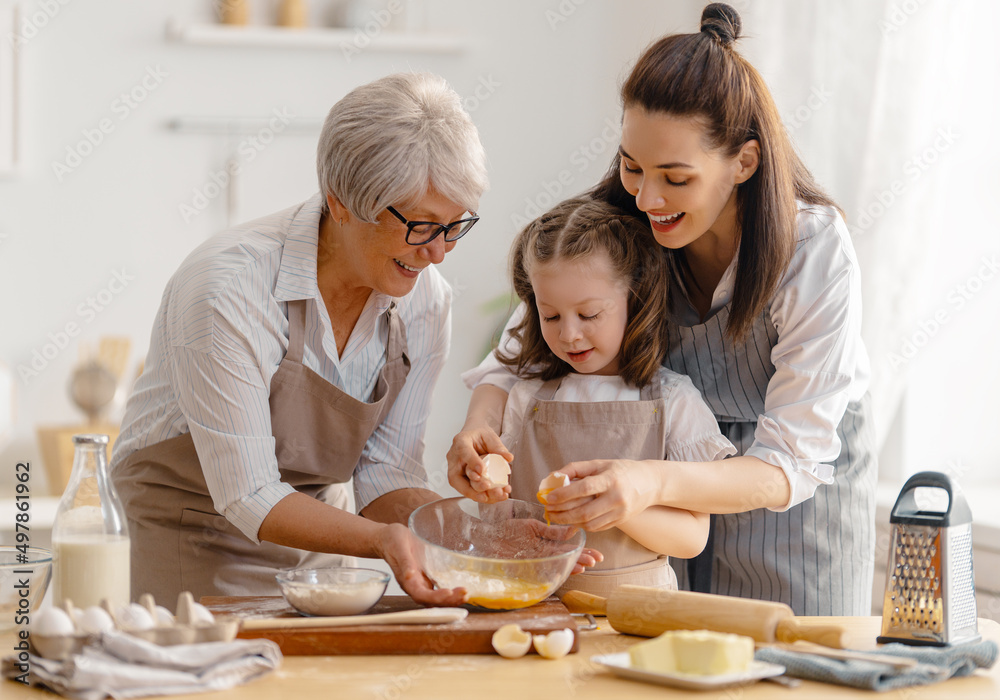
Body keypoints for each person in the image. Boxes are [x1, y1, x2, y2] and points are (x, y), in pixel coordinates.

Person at [450, 3, 877, 616]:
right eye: (632, 166)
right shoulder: (623, 227)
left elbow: (791, 462)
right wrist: (477, 430)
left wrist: (650, 480)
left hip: (789, 501)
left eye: (675, 178)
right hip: (664, 497)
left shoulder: (811, 247)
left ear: (744, 162)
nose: (647, 197)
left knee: (791, 664)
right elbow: (514, 359)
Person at [110, 72, 489, 606]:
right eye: (422, 226)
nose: (440, 252)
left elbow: (385, 472)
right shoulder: (229, 289)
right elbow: (247, 494)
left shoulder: (425, 301)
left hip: (323, 545)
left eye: (455, 225)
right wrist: (380, 540)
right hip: (190, 532)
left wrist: (479, 536)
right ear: (341, 204)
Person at [462, 198, 735, 596]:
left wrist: (618, 505)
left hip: (640, 613)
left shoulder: (674, 401)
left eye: (588, 315)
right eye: (550, 316)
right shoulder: (526, 398)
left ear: (635, 298)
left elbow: (692, 537)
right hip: (533, 606)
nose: (569, 334)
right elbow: (495, 513)